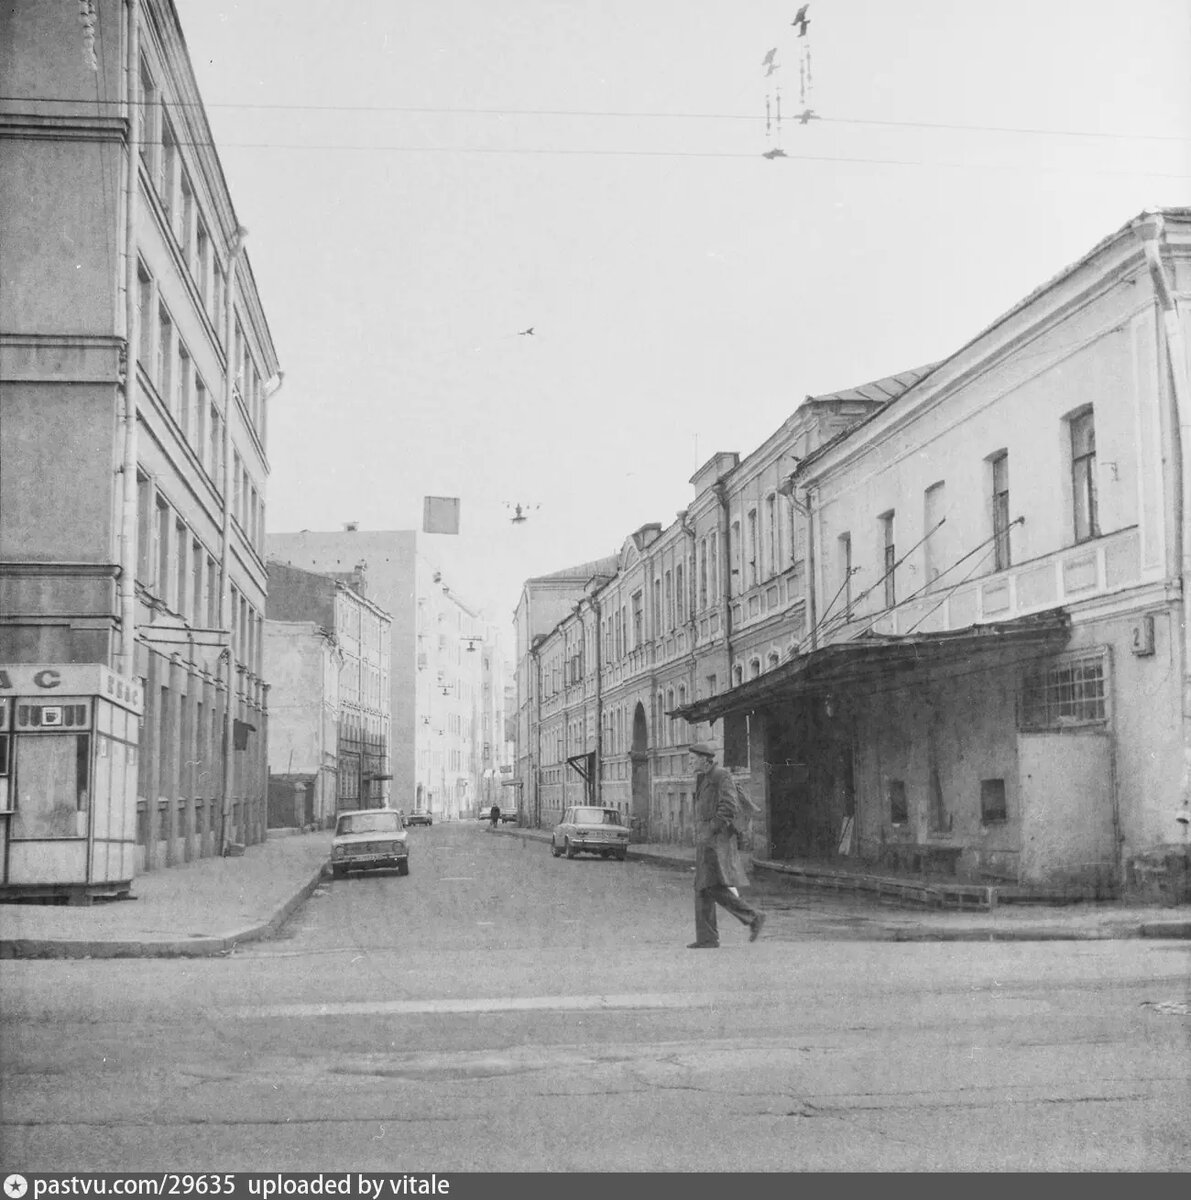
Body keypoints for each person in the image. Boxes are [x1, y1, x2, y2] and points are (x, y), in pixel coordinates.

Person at [688, 742, 766, 949]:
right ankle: (707, 937)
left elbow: (729, 804)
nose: (690, 762)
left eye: (693, 758)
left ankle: (753, 916)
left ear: (705, 759)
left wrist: (713, 828)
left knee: (711, 886)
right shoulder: (704, 777)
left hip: (715, 841)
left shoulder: (720, 775)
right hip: (707, 840)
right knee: (702, 888)